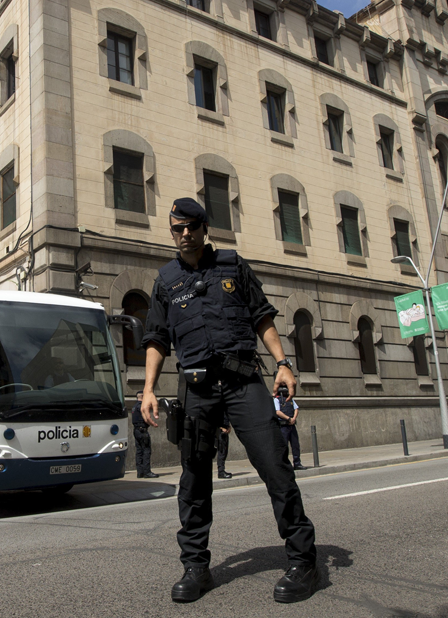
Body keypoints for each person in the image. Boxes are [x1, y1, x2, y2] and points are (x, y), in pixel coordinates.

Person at [141, 198, 319, 604]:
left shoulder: (232, 265)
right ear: (171, 232)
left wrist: (283, 364)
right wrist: (149, 389)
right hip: (197, 391)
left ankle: (304, 561)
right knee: (194, 479)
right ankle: (196, 567)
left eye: (192, 226)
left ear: (205, 227)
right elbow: (156, 339)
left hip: (243, 383)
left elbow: (262, 315)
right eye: (177, 228)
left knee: (275, 465)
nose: (185, 234)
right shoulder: (166, 280)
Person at [274, 385, 306, 469]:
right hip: (283, 426)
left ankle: (297, 463)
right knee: (284, 446)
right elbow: (277, 412)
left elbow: (296, 409)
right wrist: (288, 418)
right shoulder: (277, 400)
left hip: (291, 425)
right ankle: (284, 465)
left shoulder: (290, 399)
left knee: (295, 445)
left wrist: (293, 419)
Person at [132, 393, 160, 478]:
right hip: (142, 431)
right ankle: (147, 472)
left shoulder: (134, 406)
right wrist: (153, 424)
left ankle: (140, 472)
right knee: (146, 450)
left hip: (136, 430)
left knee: (139, 451)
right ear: (143, 397)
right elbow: (146, 418)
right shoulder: (142, 406)